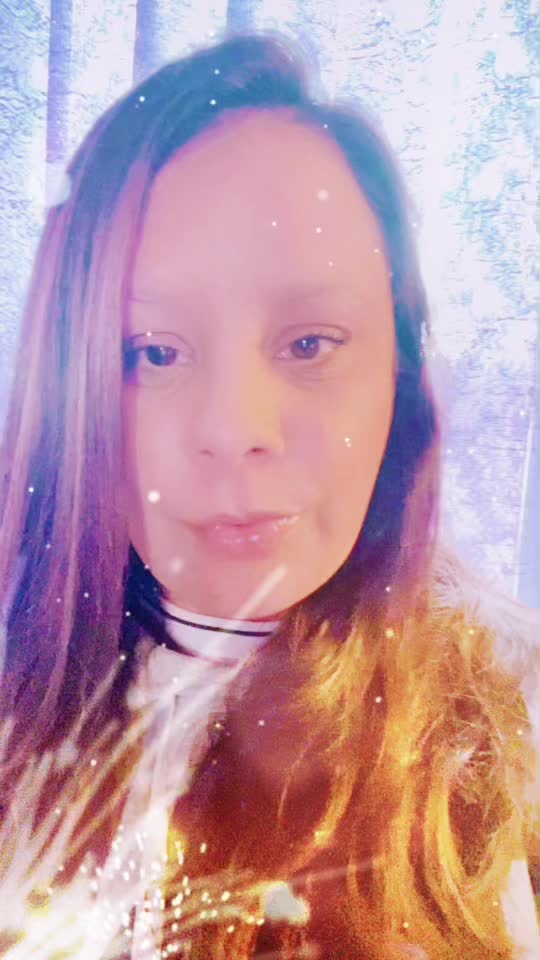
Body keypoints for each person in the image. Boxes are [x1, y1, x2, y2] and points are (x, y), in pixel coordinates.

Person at [0, 29, 538, 960]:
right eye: (154, 352)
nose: (235, 427)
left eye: (310, 343)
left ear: (400, 374)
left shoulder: (509, 713)